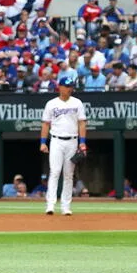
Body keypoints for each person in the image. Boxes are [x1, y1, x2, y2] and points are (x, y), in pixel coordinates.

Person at [40, 77, 87, 215]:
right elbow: (45, 124)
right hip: (56, 140)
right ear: (60, 87)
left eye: (71, 86)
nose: (69, 89)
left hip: (72, 140)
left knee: (68, 175)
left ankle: (66, 207)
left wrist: (82, 141)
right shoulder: (51, 103)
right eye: (66, 86)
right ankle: (50, 205)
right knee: (54, 172)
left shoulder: (77, 102)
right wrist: (43, 143)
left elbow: (82, 123)